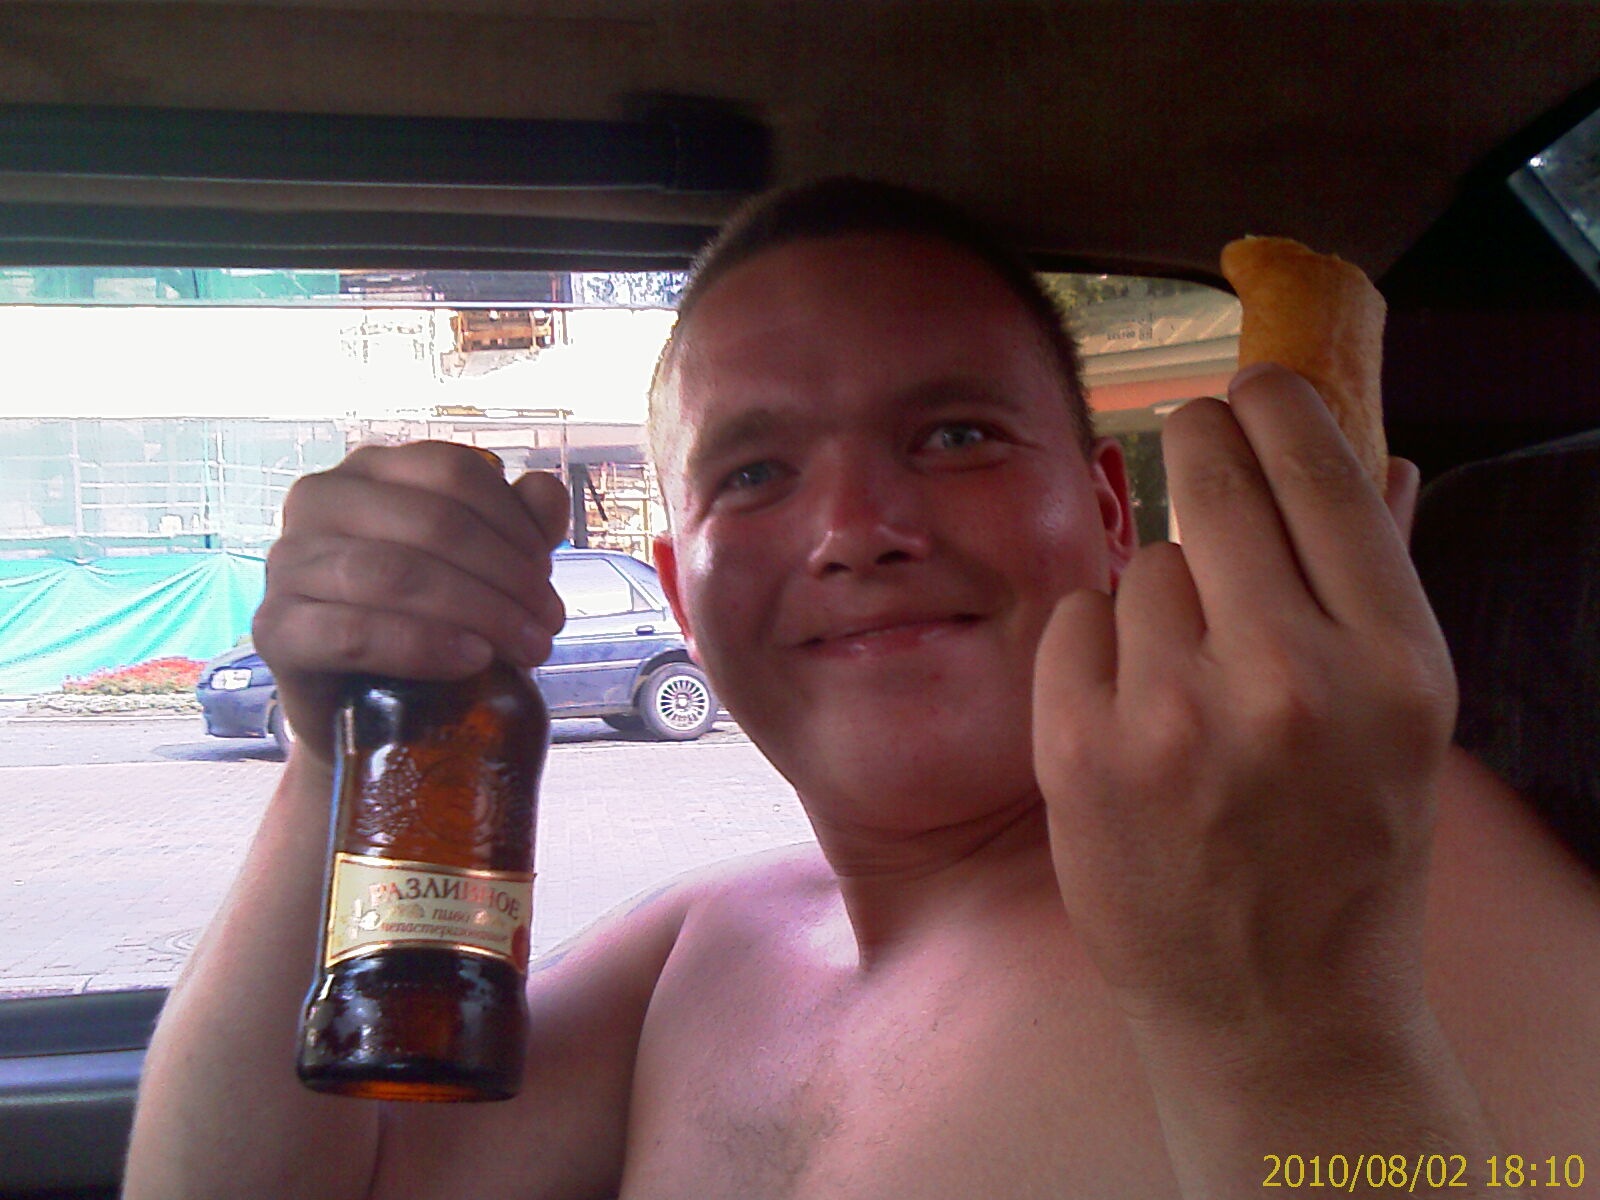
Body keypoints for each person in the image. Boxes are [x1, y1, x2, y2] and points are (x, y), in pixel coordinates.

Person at [123, 178, 1600, 1199]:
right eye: (755, 472)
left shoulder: (1353, 873)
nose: (853, 530)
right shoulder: (696, 953)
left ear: (1108, 515)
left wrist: (1304, 1042)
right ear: (682, 595)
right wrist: (341, 751)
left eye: (954, 436)